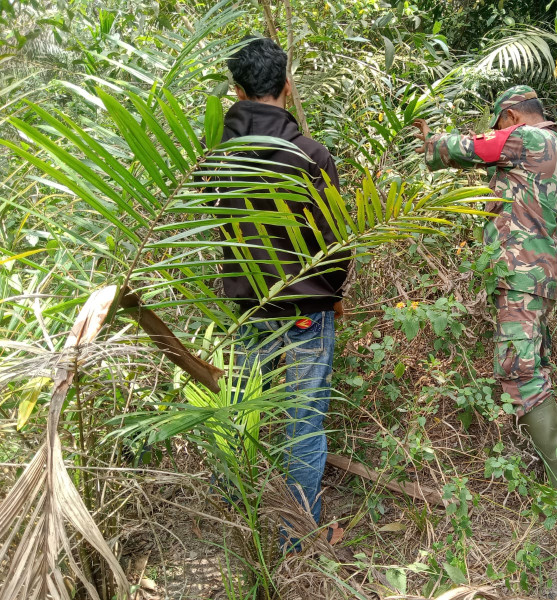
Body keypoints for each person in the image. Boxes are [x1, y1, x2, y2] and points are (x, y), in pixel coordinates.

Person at [213, 35, 349, 543]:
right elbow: (336, 239)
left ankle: (237, 520)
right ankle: (295, 537)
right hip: (305, 307)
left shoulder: (220, 159)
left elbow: (222, 231)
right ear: (287, 87)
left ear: (238, 91)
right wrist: (331, 291)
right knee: (304, 417)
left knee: (244, 410)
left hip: (249, 305)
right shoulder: (310, 155)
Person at [413, 85, 557, 489]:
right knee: (531, 366)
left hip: (522, 271)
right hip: (538, 272)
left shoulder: (526, 138)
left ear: (510, 117)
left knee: (521, 373)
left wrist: (431, 141)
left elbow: (472, 148)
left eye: (499, 124)